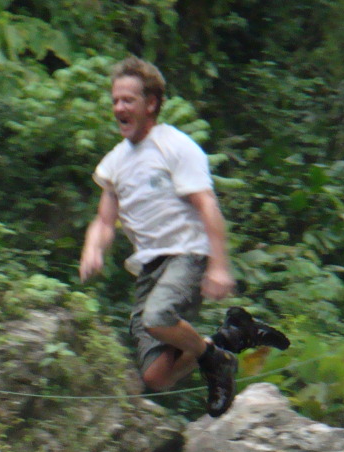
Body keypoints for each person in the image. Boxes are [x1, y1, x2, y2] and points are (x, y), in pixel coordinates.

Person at [79, 56, 288, 417]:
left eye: (128, 100)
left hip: (187, 256)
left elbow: (207, 204)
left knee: (157, 318)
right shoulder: (114, 163)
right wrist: (92, 251)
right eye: (115, 100)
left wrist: (219, 266)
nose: (119, 108)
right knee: (157, 377)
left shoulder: (175, 146)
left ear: (151, 104)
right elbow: (103, 220)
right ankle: (227, 339)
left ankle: (215, 362)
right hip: (149, 269)